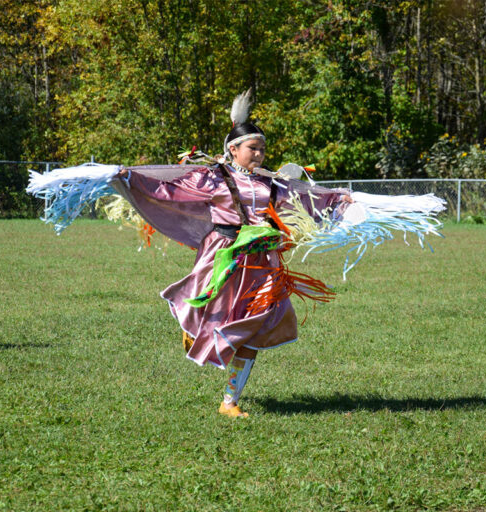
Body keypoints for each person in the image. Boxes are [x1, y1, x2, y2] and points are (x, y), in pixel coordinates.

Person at [117, 91, 351, 418]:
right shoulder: (213, 178)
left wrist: (340, 200)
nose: (259, 154)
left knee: (257, 325)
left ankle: (229, 402)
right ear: (233, 149)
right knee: (209, 309)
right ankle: (193, 329)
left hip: (263, 263)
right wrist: (127, 177)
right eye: (252, 148)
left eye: (262, 149)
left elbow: (307, 199)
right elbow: (170, 190)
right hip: (223, 256)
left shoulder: (272, 184)